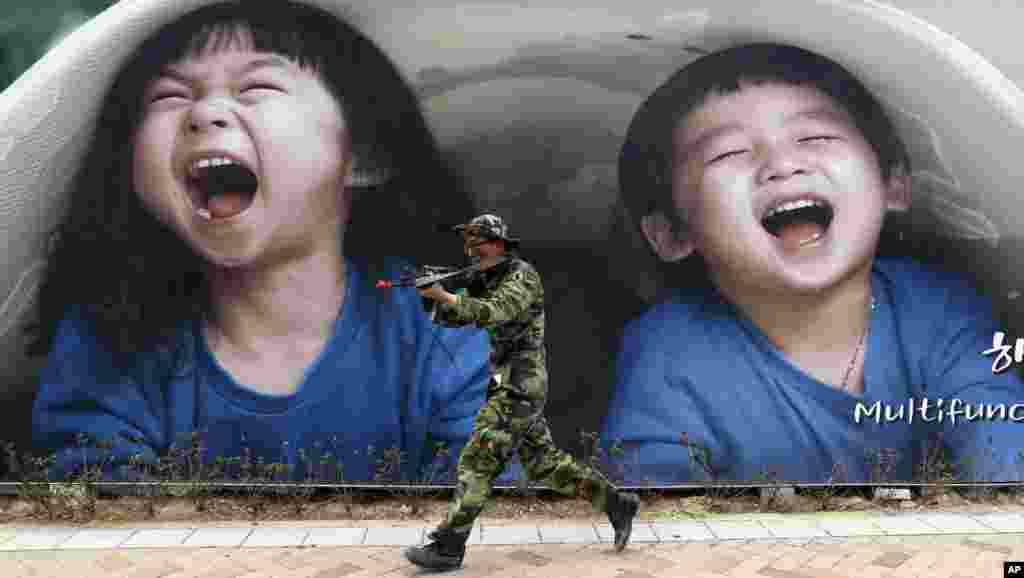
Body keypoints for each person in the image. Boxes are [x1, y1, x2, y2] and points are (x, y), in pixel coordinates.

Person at [27, 0, 491, 483]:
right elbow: (110, 535)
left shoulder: (446, 331)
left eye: (257, 87)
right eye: (169, 96)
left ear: (365, 155)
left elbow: (485, 525)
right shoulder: (107, 338)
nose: (204, 112)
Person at [601, 43, 1024, 484]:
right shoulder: (668, 359)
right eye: (728, 153)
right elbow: (655, 520)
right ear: (671, 233)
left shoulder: (940, 310)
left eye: (815, 137)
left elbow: (1006, 460)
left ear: (893, 182)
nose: (784, 164)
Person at [405, 214, 640, 571]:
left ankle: (449, 546)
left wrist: (448, 296)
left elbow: (494, 312)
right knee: (543, 464)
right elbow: (458, 318)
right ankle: (616, 503)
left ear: (499, 243)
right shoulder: (487, 277)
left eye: (478, 242)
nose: (470, 250)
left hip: (521, 385)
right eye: (467, 243)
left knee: (477, 460)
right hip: (507, 382)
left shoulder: (521, 276)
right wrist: (431, 297)